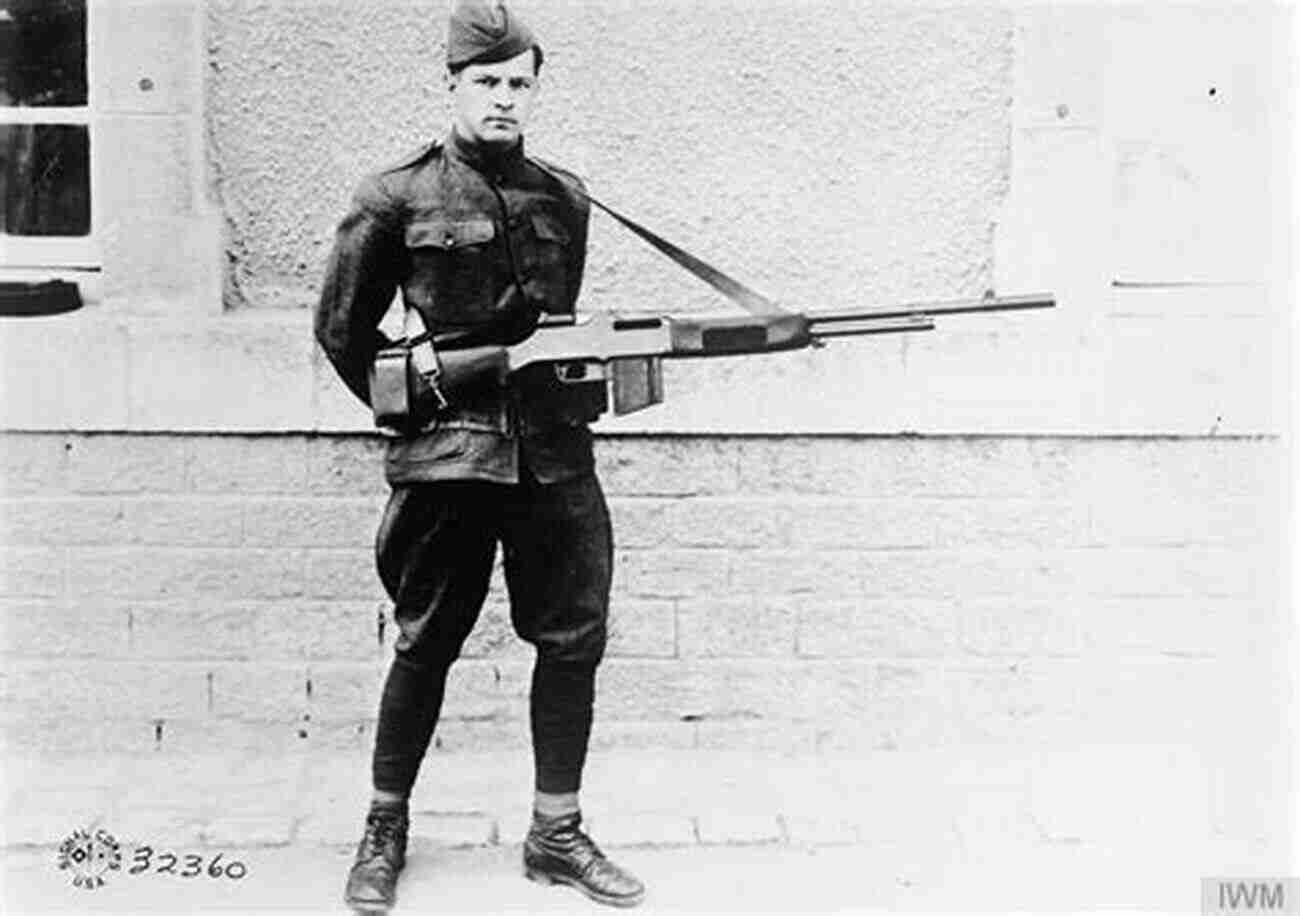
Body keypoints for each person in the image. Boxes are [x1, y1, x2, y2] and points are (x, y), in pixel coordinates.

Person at [313, 1, 645, 911]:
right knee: (425, 643)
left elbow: (553, 329)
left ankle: (556, 834)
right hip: (450, 464)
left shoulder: (563, 197)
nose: (505, 99)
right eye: (488, 82)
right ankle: (384, 829)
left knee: (573, 640)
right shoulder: (397, 195)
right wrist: (415, 411)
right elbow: (343, 332)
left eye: (520, 84)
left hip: (552, 461)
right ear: (453, 84)